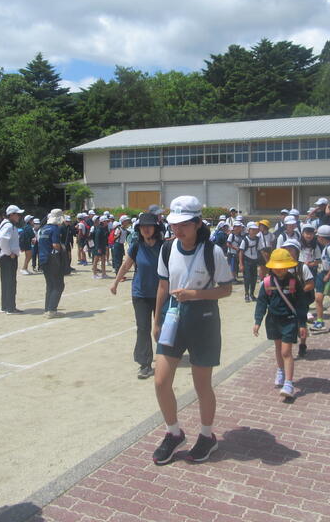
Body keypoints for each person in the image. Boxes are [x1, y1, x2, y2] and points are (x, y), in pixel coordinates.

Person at [153, 196, 232, 465]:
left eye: (184, 224)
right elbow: (163, 286)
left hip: (204, 320)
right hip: (172, 318)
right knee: (161, 381)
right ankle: (174, 433)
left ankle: (207, 436)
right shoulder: (167, 249)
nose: (178, 229)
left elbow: (226, 289)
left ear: (198, 223)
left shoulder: (213, 252)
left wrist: (195, 294)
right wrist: (156, 320)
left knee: (202, 385)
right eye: (174, 224)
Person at [253, 249, 314, 399]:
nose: (280, 270)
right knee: (278, 348)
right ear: (271, 267)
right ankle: (280, 370)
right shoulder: (267, 282)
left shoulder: (294, 282)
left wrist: (302, 324)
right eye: (277, 267)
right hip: (273, 320)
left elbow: (301, 304)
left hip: (289, 320)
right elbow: (261, 303)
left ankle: (288, 383)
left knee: (286, 352)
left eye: (283, 267)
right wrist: (257, 321)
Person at [110, 212, 164, 379]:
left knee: (162, 327)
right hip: (140, 294)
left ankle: (166, 358)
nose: (146, 229)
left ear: (155, 228)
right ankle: (145, 364)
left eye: (149, 226)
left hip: (161, 294)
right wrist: (115, 282)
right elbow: (126, 265)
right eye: (143, 227)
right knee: (143, 328)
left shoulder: (164, 246)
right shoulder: (136, 246)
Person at [311, 225, 330, 332]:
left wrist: (328, 275)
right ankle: (320, 321)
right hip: (323, 274)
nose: (317, 238)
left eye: (318, 236)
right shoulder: (326, 247)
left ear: (321, 237)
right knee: (318, 298)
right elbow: (326, 261)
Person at [38, 209, 66, 318]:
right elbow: (55, 245)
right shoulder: (55, 229)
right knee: (58, 285)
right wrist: (62, 248)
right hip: (52, 259)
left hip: (43, 258)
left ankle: (47, 309)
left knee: (50, 285)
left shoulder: (43, 228)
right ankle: (52, 310)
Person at [0, 204, 24, 313]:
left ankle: (5, 306)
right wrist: (9, 253)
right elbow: (3, 240)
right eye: (17, 214)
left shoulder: (6, 224)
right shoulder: (9, 226)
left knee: (6, 282)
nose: (19, 216)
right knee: (10, 283)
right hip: (8, 258)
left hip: (5, 257)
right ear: (12, 215)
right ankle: (10, 307)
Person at [239, 222, 261, 302]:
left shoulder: (258, 239)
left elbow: (259, 250)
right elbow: (241, 252)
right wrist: (241, 264)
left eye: (255, 229)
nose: (254, 231)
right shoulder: (245, 240)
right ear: (248, 230)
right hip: (247, 261)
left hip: (254, 261)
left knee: (254, 278)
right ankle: (246, 294)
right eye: (252, 229)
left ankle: (252, 294)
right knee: (247, 278)